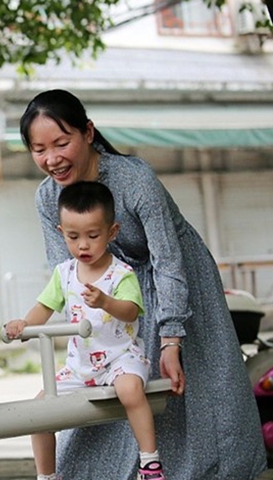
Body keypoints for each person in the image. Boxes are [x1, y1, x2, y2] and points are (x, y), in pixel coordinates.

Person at [20, 88, 266, 480]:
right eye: (39, 149)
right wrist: (82, 336)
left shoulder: (134, 178)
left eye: (62, 143)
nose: (52, 159)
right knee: (113, 385)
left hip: (176, 277)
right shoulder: (48, 198)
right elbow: (63, 273)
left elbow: (168, 257)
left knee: (187, 385)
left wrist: (171, 336)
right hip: (109, 292)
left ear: (88, 132)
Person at [5, 181, 162, 480]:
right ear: (61, 232)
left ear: (112, 232)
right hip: (80, 367)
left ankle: (149, 462)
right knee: (38, 414)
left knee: (130, 390)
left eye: (93, 235)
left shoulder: (121, 273)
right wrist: (24, 323)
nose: (83, 246)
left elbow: (131, 311)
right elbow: (44, 307)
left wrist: (105, 301)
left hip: (120, 359)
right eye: (73, 237)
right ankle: (47, 475)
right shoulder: (63, 274)